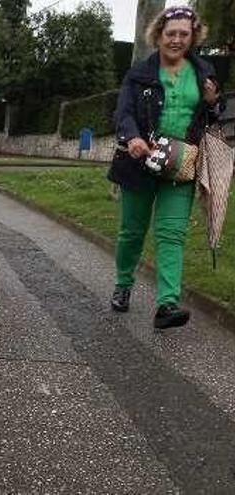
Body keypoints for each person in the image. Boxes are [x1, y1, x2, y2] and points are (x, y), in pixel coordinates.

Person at [108, 6, 224, 329]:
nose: (176, 40)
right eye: (170, 33)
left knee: (172, 234)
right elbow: (124, 113)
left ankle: (167, 305)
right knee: (132, 232)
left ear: (193, 36)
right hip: (139, 162)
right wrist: (131, 138)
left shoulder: (203, 72)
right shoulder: (140, 74)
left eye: (183, 34)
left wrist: (214, 102)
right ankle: (123, 285)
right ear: (158, 35)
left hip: (181, 166)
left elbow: (212, 115)